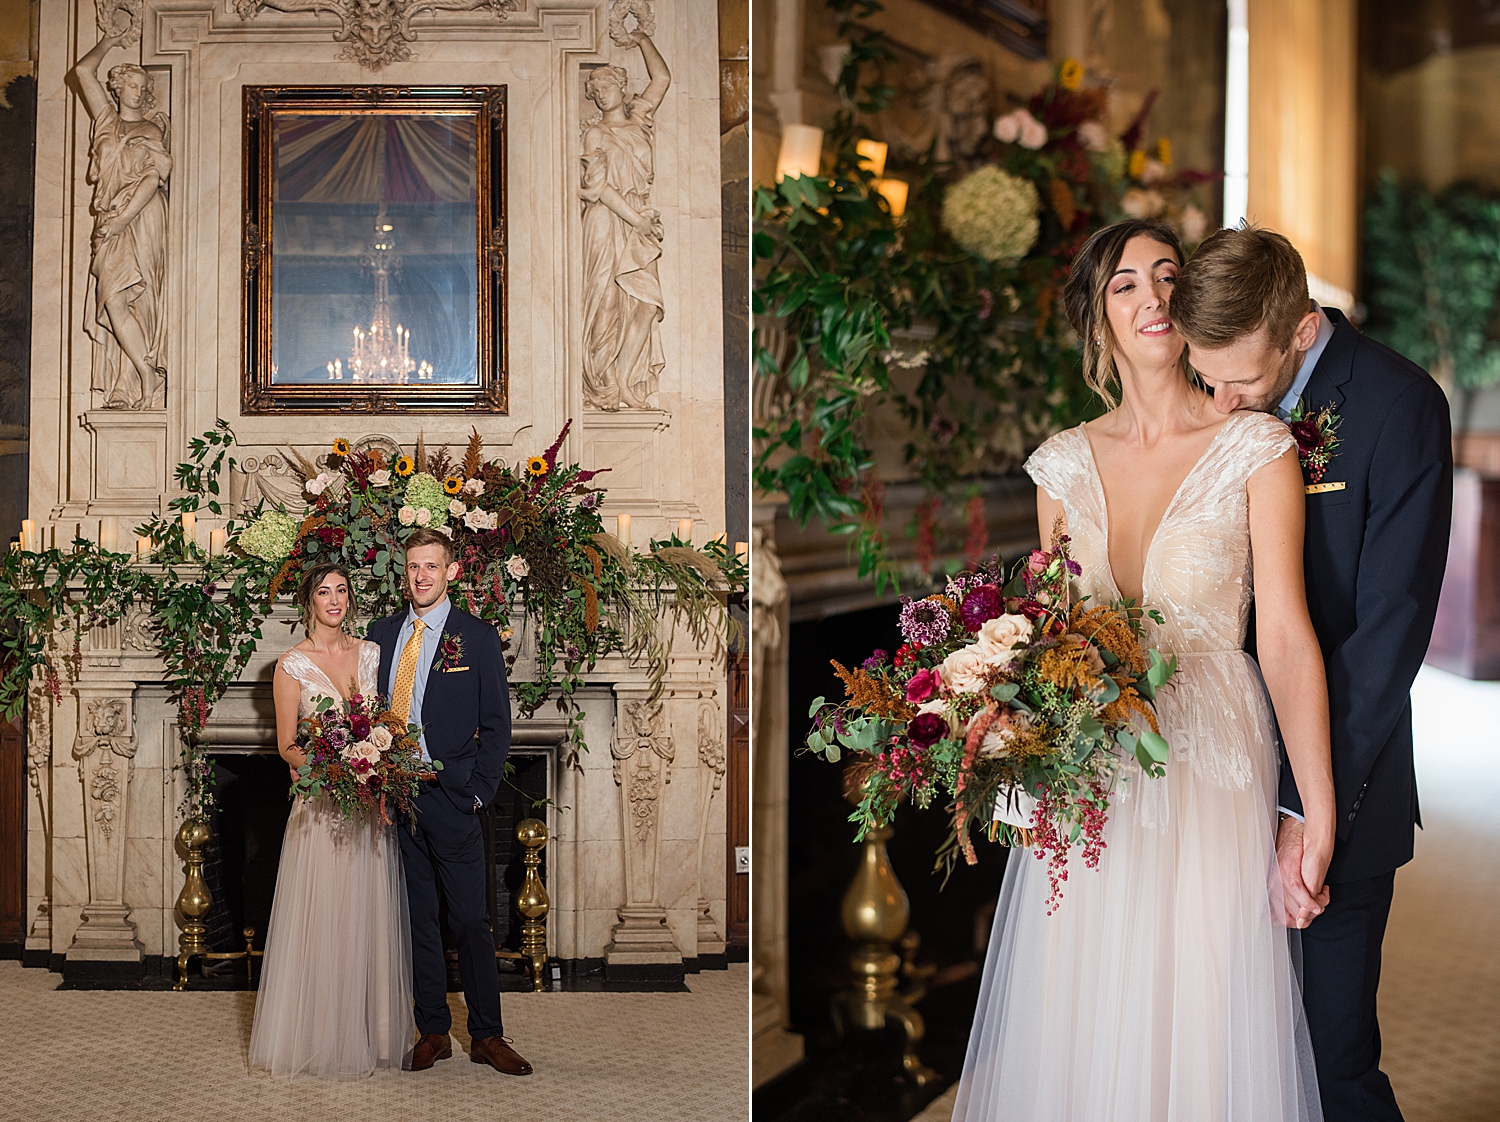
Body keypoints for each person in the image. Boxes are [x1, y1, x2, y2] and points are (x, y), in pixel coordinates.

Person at [953, 219, 1333, 1121]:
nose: (1153, 297)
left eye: (1168, 275)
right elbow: (1040, 640)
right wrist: (1006, 756)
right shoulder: (1059, 465)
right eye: (1126, 283)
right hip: (1090, 771)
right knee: (1081, 1003)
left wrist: (1314, 812)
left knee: (1201, 1004)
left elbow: (1283, 634)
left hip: (1211, 760)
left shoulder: (1260, 448)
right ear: (1099, 314)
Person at [1173, 226, 1452, 1122]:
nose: (1220, 402)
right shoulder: (1208, 390)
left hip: (1340, 777)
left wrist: (1302, 801)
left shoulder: (1397, 403)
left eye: (1241, 384)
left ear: (1298, 329)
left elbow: (1387, 633)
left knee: (1327, 1060)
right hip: (1203, 779)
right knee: (1218, 1057)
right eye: (1205, 378)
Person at [366, 528, 531, 1076]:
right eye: (413, 567)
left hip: (454, 797)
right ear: (403, 572)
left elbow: (498, 725)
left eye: (431, 567)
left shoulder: (477, 636)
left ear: (452, 571)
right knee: (419, 921)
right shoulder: (381, 634)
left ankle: (486, 1034)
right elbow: (366, 713)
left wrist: (480, 792)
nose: (421, 576)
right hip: (398, 795)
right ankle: (433, 1030)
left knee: (470, 920)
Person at [248, 562, 415, 1078]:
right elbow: (287, 746)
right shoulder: (290, 666)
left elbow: (389, 724)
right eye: (325, 592)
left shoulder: (372, 655)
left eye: (342, 590)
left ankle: (371, 1034)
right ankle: (317, 1038)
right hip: (321, 809)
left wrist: (375, 766)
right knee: (322, 920)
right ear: (309, 602)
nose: (335, 600)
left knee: (366, 917)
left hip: (365, 808)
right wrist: (337, 767)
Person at [69, 31, 171, 409]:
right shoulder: (106, 121)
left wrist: (122, 219)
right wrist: (110, 39)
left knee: (131, 299)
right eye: (129, 83)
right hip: (109, 219)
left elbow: (151, 178)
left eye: (141, 86)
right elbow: (82, 70)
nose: (135, 91)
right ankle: (138, 377)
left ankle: (142, 377)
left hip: (142, 216)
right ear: (117, 87)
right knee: (113, 301)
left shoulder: (151, 130)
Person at [579, 31, 671, 411]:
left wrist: (643, 37)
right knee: (606, 305)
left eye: (608, 86)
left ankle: (625, 376)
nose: (602, 94)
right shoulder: (594, 134)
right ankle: (604, 384)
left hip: (636, 222)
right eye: (596, 90)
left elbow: (662, 79)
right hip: (606, 220)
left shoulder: (640, 119)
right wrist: (638, 219)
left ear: (622, 87)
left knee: (647, 304)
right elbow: (597, 189)